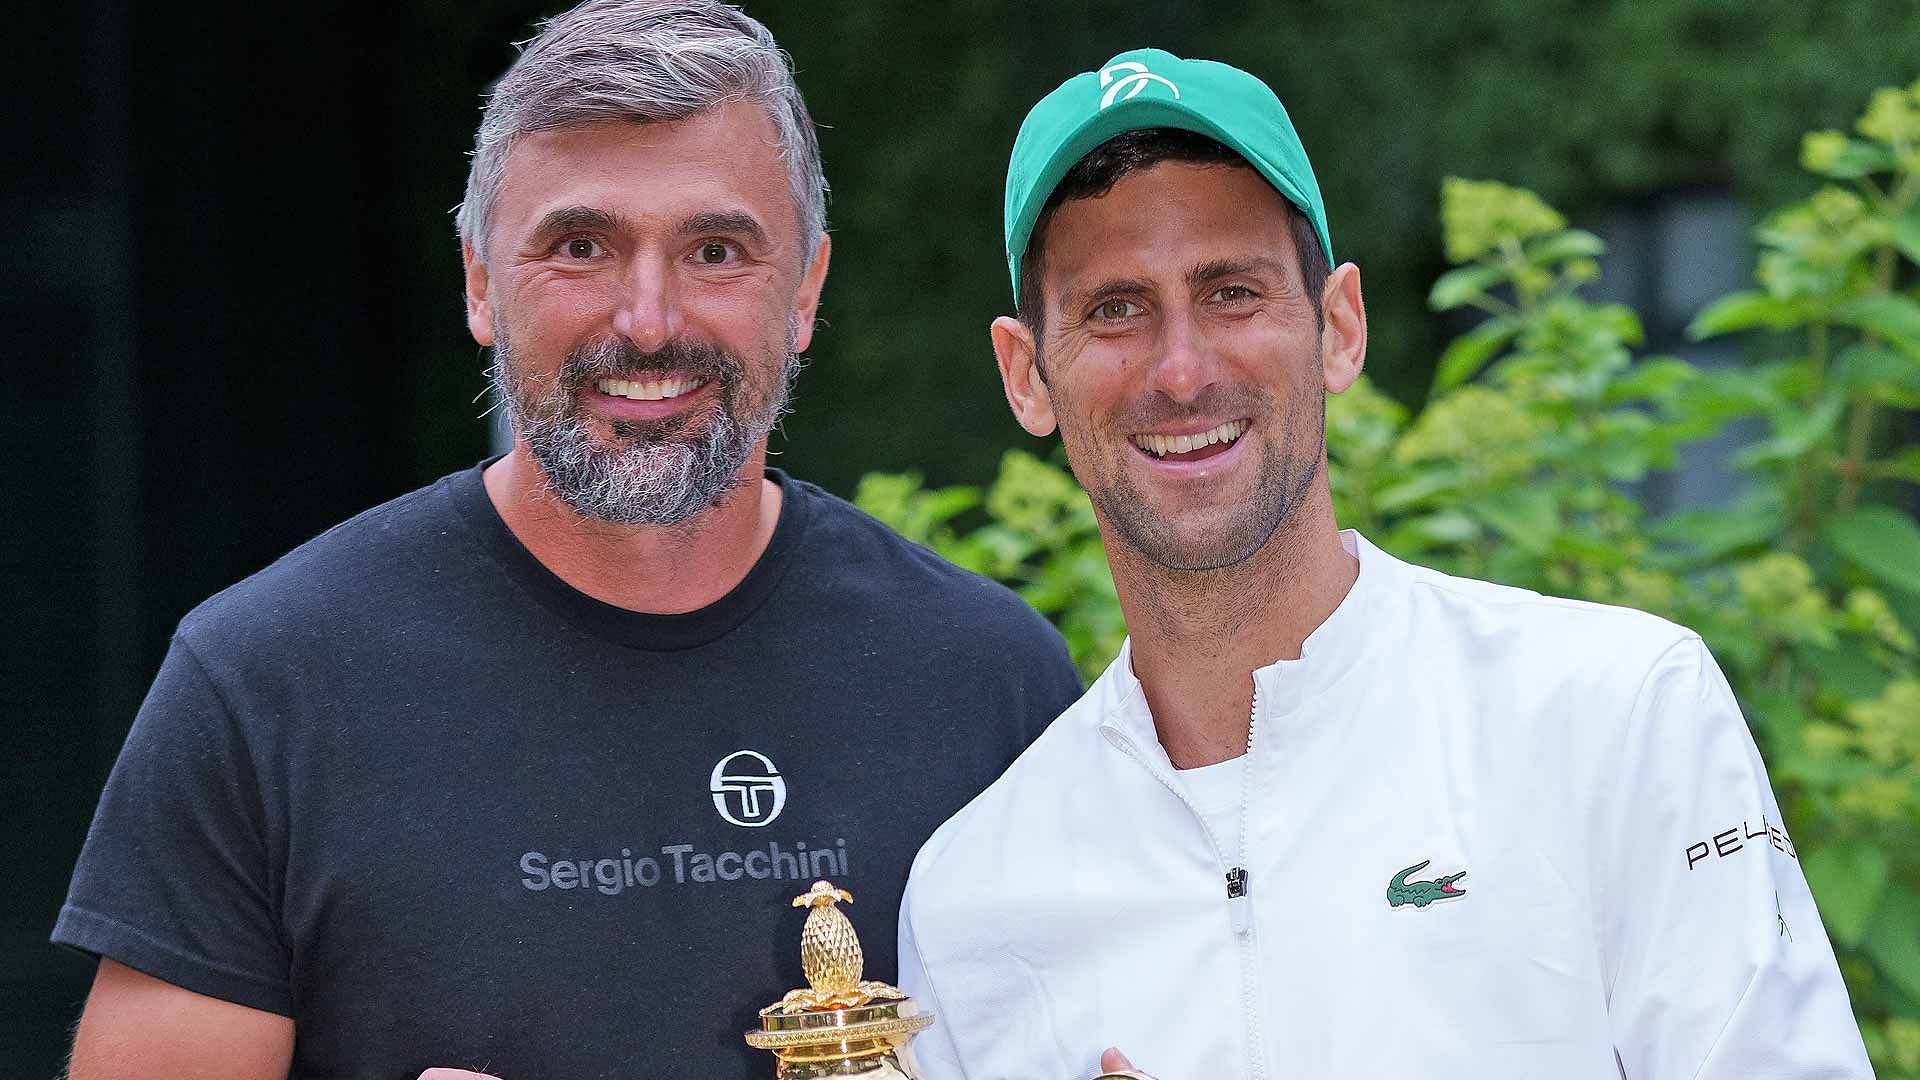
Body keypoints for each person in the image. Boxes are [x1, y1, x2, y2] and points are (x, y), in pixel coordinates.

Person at [52, 3, 1082, 1078]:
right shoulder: (266, 687)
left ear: (806, 293)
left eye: (716, 249)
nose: (647, 319)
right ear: (481, 284)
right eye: (580, 246)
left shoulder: (984, 681)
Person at [897, 49, 1872, 1080]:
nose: (1180, 370)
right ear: (1026, 375)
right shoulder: (974, 901)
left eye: (1232, 291)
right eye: (1115, 309)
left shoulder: (1612, 714)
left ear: (1339, 329)